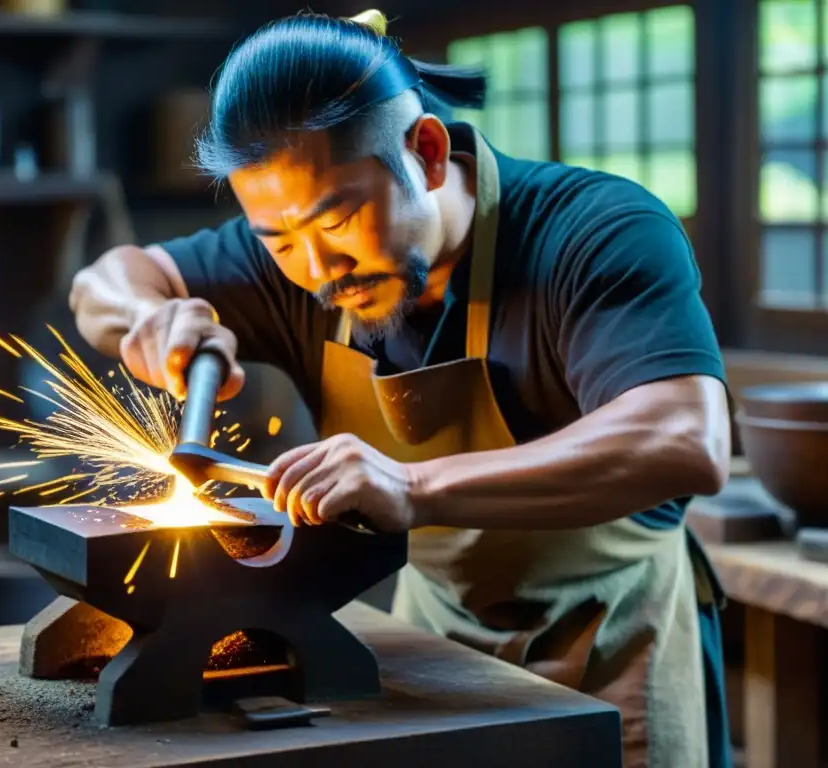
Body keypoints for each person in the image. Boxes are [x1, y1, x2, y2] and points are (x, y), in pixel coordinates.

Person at [70, 9, 733, 767]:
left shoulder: (594, 232)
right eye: (278, 240)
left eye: (341, 217)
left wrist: (412, 485)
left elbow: (686, 437)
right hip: (432, 642)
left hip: (614, 642)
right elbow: (103, 283)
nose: (319, 270)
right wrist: (154, 317)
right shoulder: (302, 256)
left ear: (425, 151)